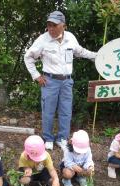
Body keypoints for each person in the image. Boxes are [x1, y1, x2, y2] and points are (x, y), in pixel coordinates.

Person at [24, 10, 97, 151]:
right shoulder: (42, 40)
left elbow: (80, 51)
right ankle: (48, 138)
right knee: (48, 111)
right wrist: (36, 76)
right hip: (49, 81)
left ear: (63, 26)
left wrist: (96, 56)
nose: (51, 29)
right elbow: (28, 57)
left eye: (54, 25)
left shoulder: (70, 38)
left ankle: (62, 138)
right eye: (49, 25)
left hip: (66, 82)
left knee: (66, 111)